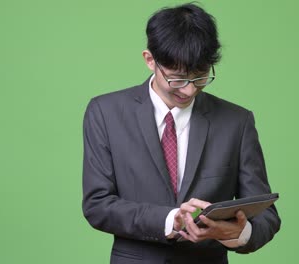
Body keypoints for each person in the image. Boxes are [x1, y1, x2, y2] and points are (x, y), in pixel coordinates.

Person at [82, 3, 280, 264]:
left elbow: (267, 216)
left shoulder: (237, 122)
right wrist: (169, 219)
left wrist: (239, 233)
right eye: (177, 79)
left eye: (200, 78)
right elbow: (98, 205)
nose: (188, 91)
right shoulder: (105, 113)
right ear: (150, 59)